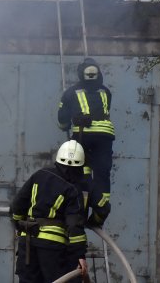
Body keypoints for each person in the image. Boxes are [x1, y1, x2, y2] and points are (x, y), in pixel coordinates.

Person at [10, 140, 88, 282]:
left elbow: (16, 206)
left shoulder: (39, 175)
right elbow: (75, 227)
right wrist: (80, 256)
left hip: (26, 244)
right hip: (52, 249)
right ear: (80, 167)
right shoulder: (73, 189)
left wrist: (18, 225)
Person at [57, 57, 114, 227]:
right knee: (102, 172)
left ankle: (82, 210)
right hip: (105, 136)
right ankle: (101, 211)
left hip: (83, 136)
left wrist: (68, 123)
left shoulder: (70, 92)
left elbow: (62, 121)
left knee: (83, 173)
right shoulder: (106, 91)